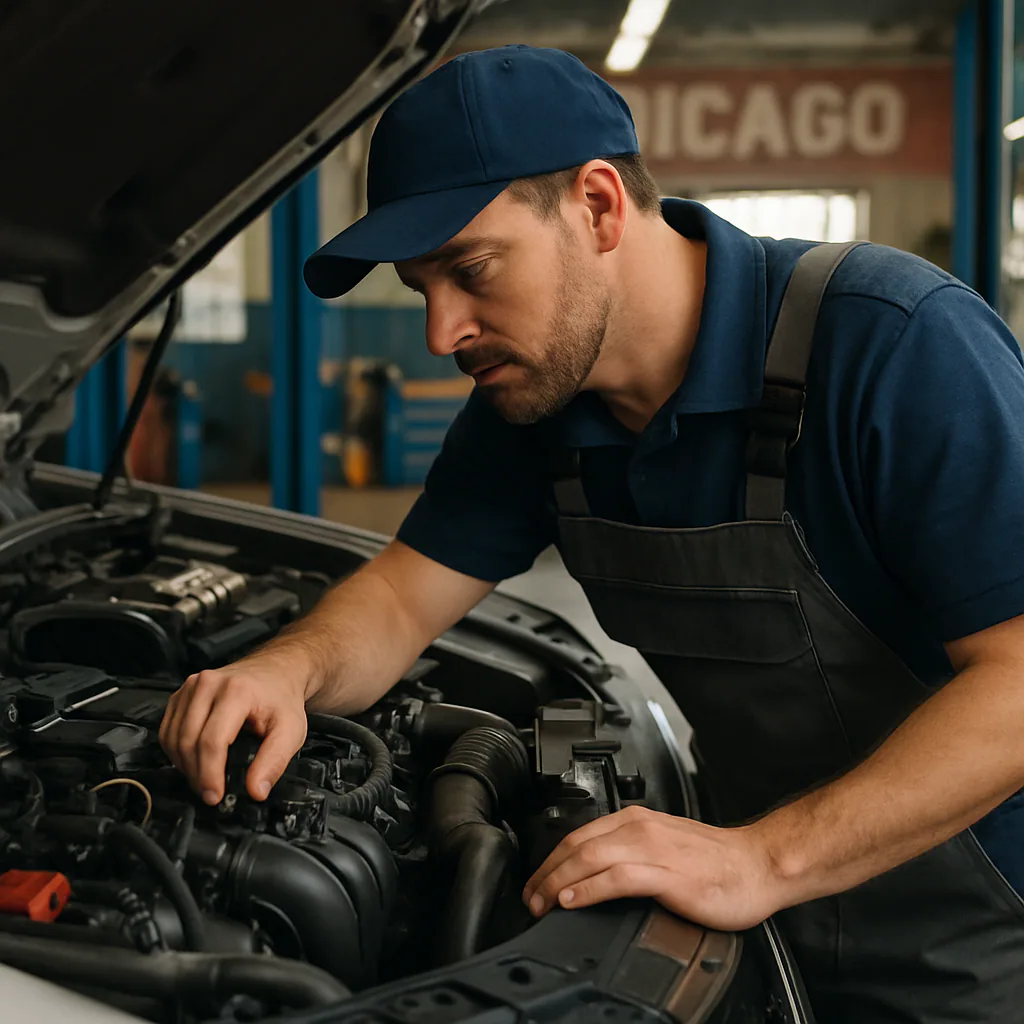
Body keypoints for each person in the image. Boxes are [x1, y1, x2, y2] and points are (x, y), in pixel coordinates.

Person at [159, 45, 1024, 1021]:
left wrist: (763, 857)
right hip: (759, 901)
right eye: (420, 288)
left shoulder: (893, 343)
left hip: (982, 931)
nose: (442, 331)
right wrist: (288, 669)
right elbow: (402, 595)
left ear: (600, 206)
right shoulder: (533, 415)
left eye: (470, 270)